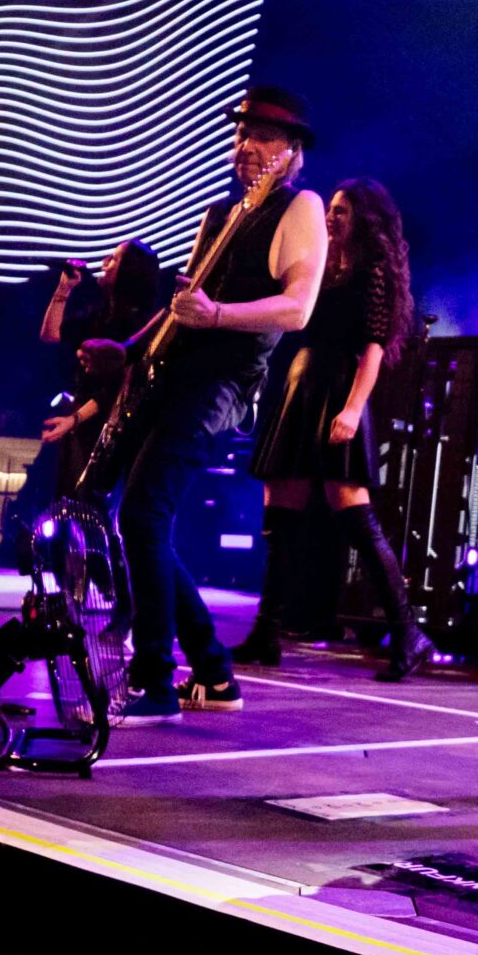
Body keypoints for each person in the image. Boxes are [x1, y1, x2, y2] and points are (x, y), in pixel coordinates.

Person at [110, 87, 326, 720]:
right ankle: (211, 672)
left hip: (224, 383)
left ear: (292, 151)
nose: (246, 146)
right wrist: (130, 349)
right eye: (241, 134)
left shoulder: (301, 206)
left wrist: (217, 314)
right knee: (139, 519)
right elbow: (188, 308)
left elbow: (298, 308)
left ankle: (155, 680)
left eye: (263, 136)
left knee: (144, 514)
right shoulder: (222, 214)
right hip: (179, 375)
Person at [237, 178, 431, 681]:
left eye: (341, 210)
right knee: (280, 513)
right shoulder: (320, 266)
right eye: (330, 208)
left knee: (355, 516)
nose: (331, 216)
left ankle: (407, 632)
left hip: (338, 388)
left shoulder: (373, 272)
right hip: (302, 386)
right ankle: (265, 632)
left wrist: (351, 410)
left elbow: (372, 350)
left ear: (365, 218)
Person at [38, 241, 163, 497]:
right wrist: (64, 288)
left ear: (130, 271)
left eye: (114, 258)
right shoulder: (100, 316)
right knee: (70, 502)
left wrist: (75, 418)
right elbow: (51, 334)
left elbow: (118, 388)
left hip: (108, 430)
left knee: (90, 504)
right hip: (81, 423)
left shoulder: (138, 324)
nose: (105, 261)